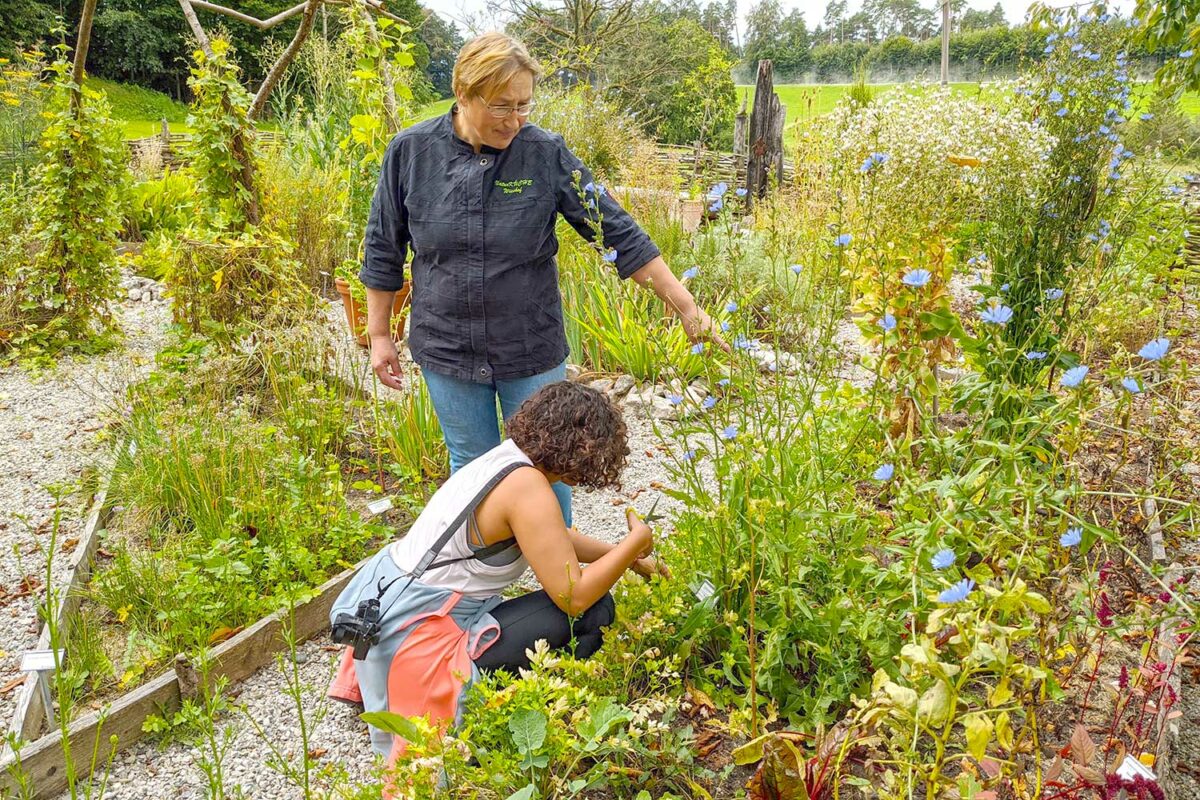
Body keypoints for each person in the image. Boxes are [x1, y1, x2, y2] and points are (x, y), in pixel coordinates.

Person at [359, 31, 723, 528]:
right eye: (502, 106)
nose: (515, 120)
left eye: (525, 105)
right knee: (473, 473)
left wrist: (687, 306)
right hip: (447, 347)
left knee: (547, 469)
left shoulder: (544, 153)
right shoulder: (411, 153)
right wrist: (380, 334)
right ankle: (475, 598)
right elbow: (384, 247)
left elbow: (617, 233)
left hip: (528, 345)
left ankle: (562, 593)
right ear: (463, 93)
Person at [328, 382, 669, 773]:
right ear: (584, 449)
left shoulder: (506, 462)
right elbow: (572, 596)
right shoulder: (528, 489)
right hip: (421, 638)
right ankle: (538, 717)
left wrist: (624, 558)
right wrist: (635, 542)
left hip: (388, 614)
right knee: (594, 609)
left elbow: (552, 537)